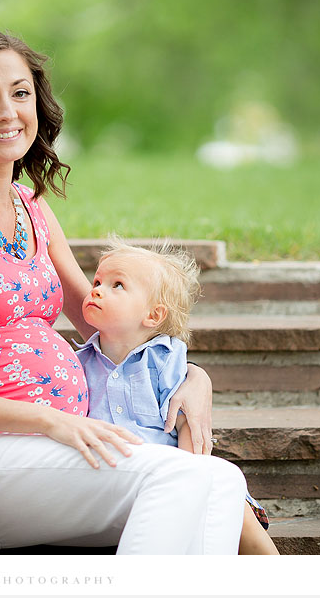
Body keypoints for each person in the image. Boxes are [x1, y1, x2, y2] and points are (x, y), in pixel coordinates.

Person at [0, 31, 246, 553]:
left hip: (50, 452)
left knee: (222, 482)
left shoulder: (32, 207)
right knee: (183, 477)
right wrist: (48, 421)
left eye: (21, 92)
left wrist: (193, 375)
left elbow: (104, 319)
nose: (7, 111)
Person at [77, 237, 280, 555]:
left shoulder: (163, 360)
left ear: (153, 316)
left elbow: (186, 422)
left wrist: (192, 478)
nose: (98, 290)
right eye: (98, 281)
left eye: (118, 285)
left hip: (174, 470)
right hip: (114, 475)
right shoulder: (78, 363)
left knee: (232, 505)